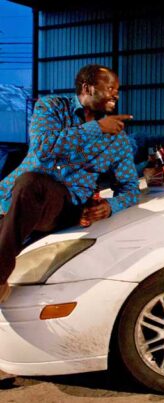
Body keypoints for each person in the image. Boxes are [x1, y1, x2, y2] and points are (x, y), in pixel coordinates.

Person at [0, 64, 140, 303]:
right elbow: (43, 149)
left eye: (117, 90)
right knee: (25, 190)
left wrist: (110, 207)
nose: (116, 94)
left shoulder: (117, 140)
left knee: (32, 183)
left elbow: (130, 189)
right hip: (12, 200)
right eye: (110, 88)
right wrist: (95, 129)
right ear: (87, 88)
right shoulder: (51, 107)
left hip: (63, 207)